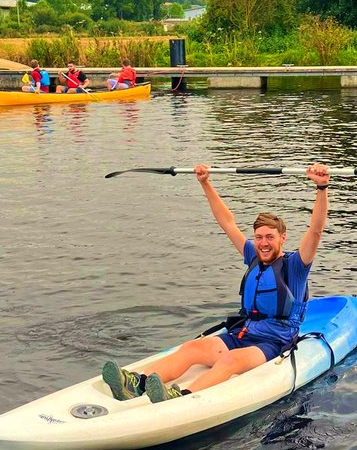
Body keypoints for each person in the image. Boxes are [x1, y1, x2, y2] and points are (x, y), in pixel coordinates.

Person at [102, 162, 330, 403]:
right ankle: (136, 383)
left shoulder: (295, 266)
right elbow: (227, 222)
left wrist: (322, 188)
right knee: (192, 348)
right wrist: (205, 182)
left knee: (229, 361)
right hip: (242, 332)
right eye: (259, 237)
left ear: (282, 238)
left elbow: (315, 231)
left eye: (270, 238)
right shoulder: (253, 256)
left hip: (273, 342)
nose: (263, 243)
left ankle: (181, 397)